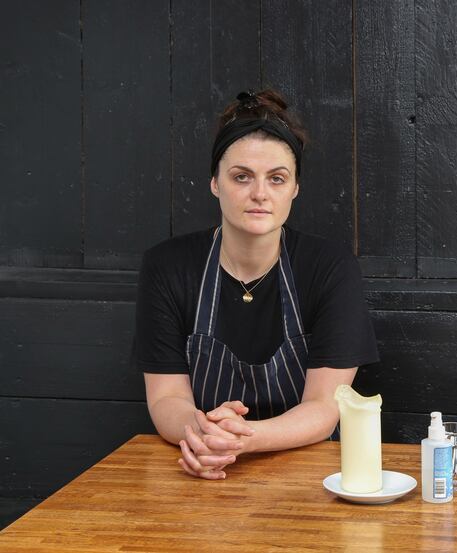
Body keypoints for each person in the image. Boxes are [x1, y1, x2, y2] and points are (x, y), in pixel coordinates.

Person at [133, 88, 379, 479]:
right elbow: (167, 398)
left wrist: (242, 437)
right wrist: (201, 434)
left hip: (308, 473)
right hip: (200, 468)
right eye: (241, 177)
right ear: (215, 182)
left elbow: (324, 406)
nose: (259, 194)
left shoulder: (330, 267)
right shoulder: (168, 266)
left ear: (295, 188)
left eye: (277, 179)